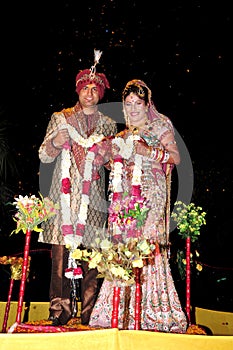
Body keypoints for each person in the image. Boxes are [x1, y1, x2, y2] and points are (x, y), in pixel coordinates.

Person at [86, 79, 188, 332]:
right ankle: (118, 311)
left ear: (147, 104)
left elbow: (176, 157)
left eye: (137, 103)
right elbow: (113, 165)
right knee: (122, 248)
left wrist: (149, 152)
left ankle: (154, 311)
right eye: (128, 104)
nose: (133, 109)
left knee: (147, 247)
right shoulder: (122, 135)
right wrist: (105, 157)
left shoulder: (160, 126)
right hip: (123, 199)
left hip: (151, 196)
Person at [38, 50, 117, 326]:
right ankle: (59, 313)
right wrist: (55, 143)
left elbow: (113, 164)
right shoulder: (60, 118)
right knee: (59, 261)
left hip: (93, 203)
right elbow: (43, 155)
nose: (90, 93)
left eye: (95, 89)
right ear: (78, 90)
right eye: (86, 88)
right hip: (63, 201)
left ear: (101, 94)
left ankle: (91, 315)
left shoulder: (108, 123)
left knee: (93, 262)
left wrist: (109, 157)